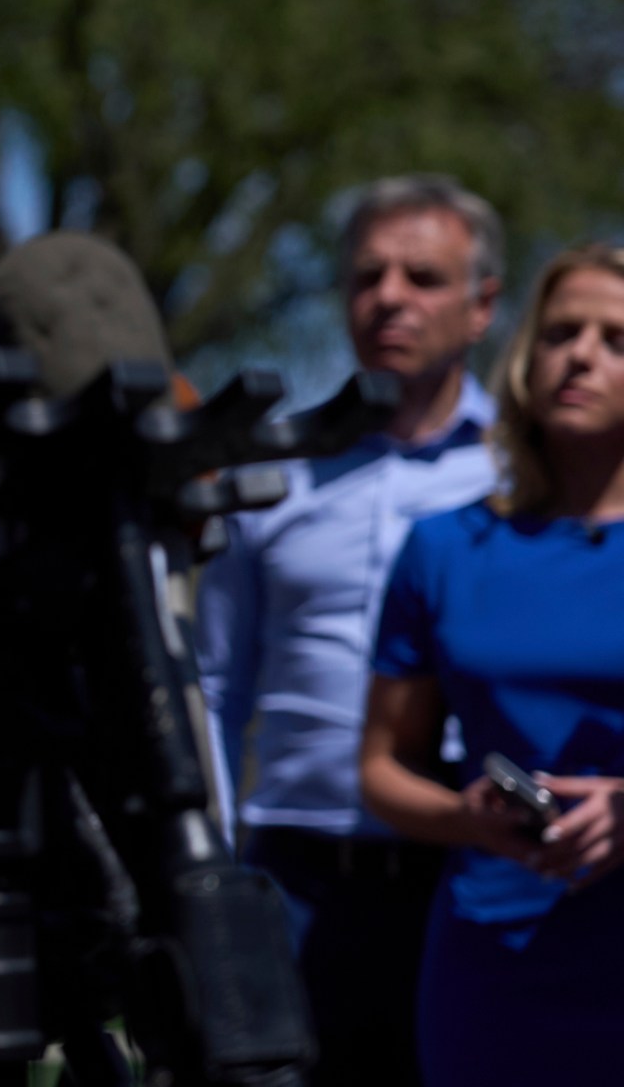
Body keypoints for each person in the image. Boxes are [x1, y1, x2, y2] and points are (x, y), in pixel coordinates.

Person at [194, 174, 503, 1086]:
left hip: (463, 868)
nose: (390, 299)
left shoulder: (522, 477)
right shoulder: (274, 471)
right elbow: (215, 681)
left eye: (423, 277)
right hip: (289, 872)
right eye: (368, 277)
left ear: (484, 305)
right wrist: (206, 863)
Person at [359, 242, 624, 1082]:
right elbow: (382, 765)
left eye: (616, 339)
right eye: (560, 333)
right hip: (491, 958)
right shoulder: (445, 549)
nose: (580, 355)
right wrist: (467, 818)